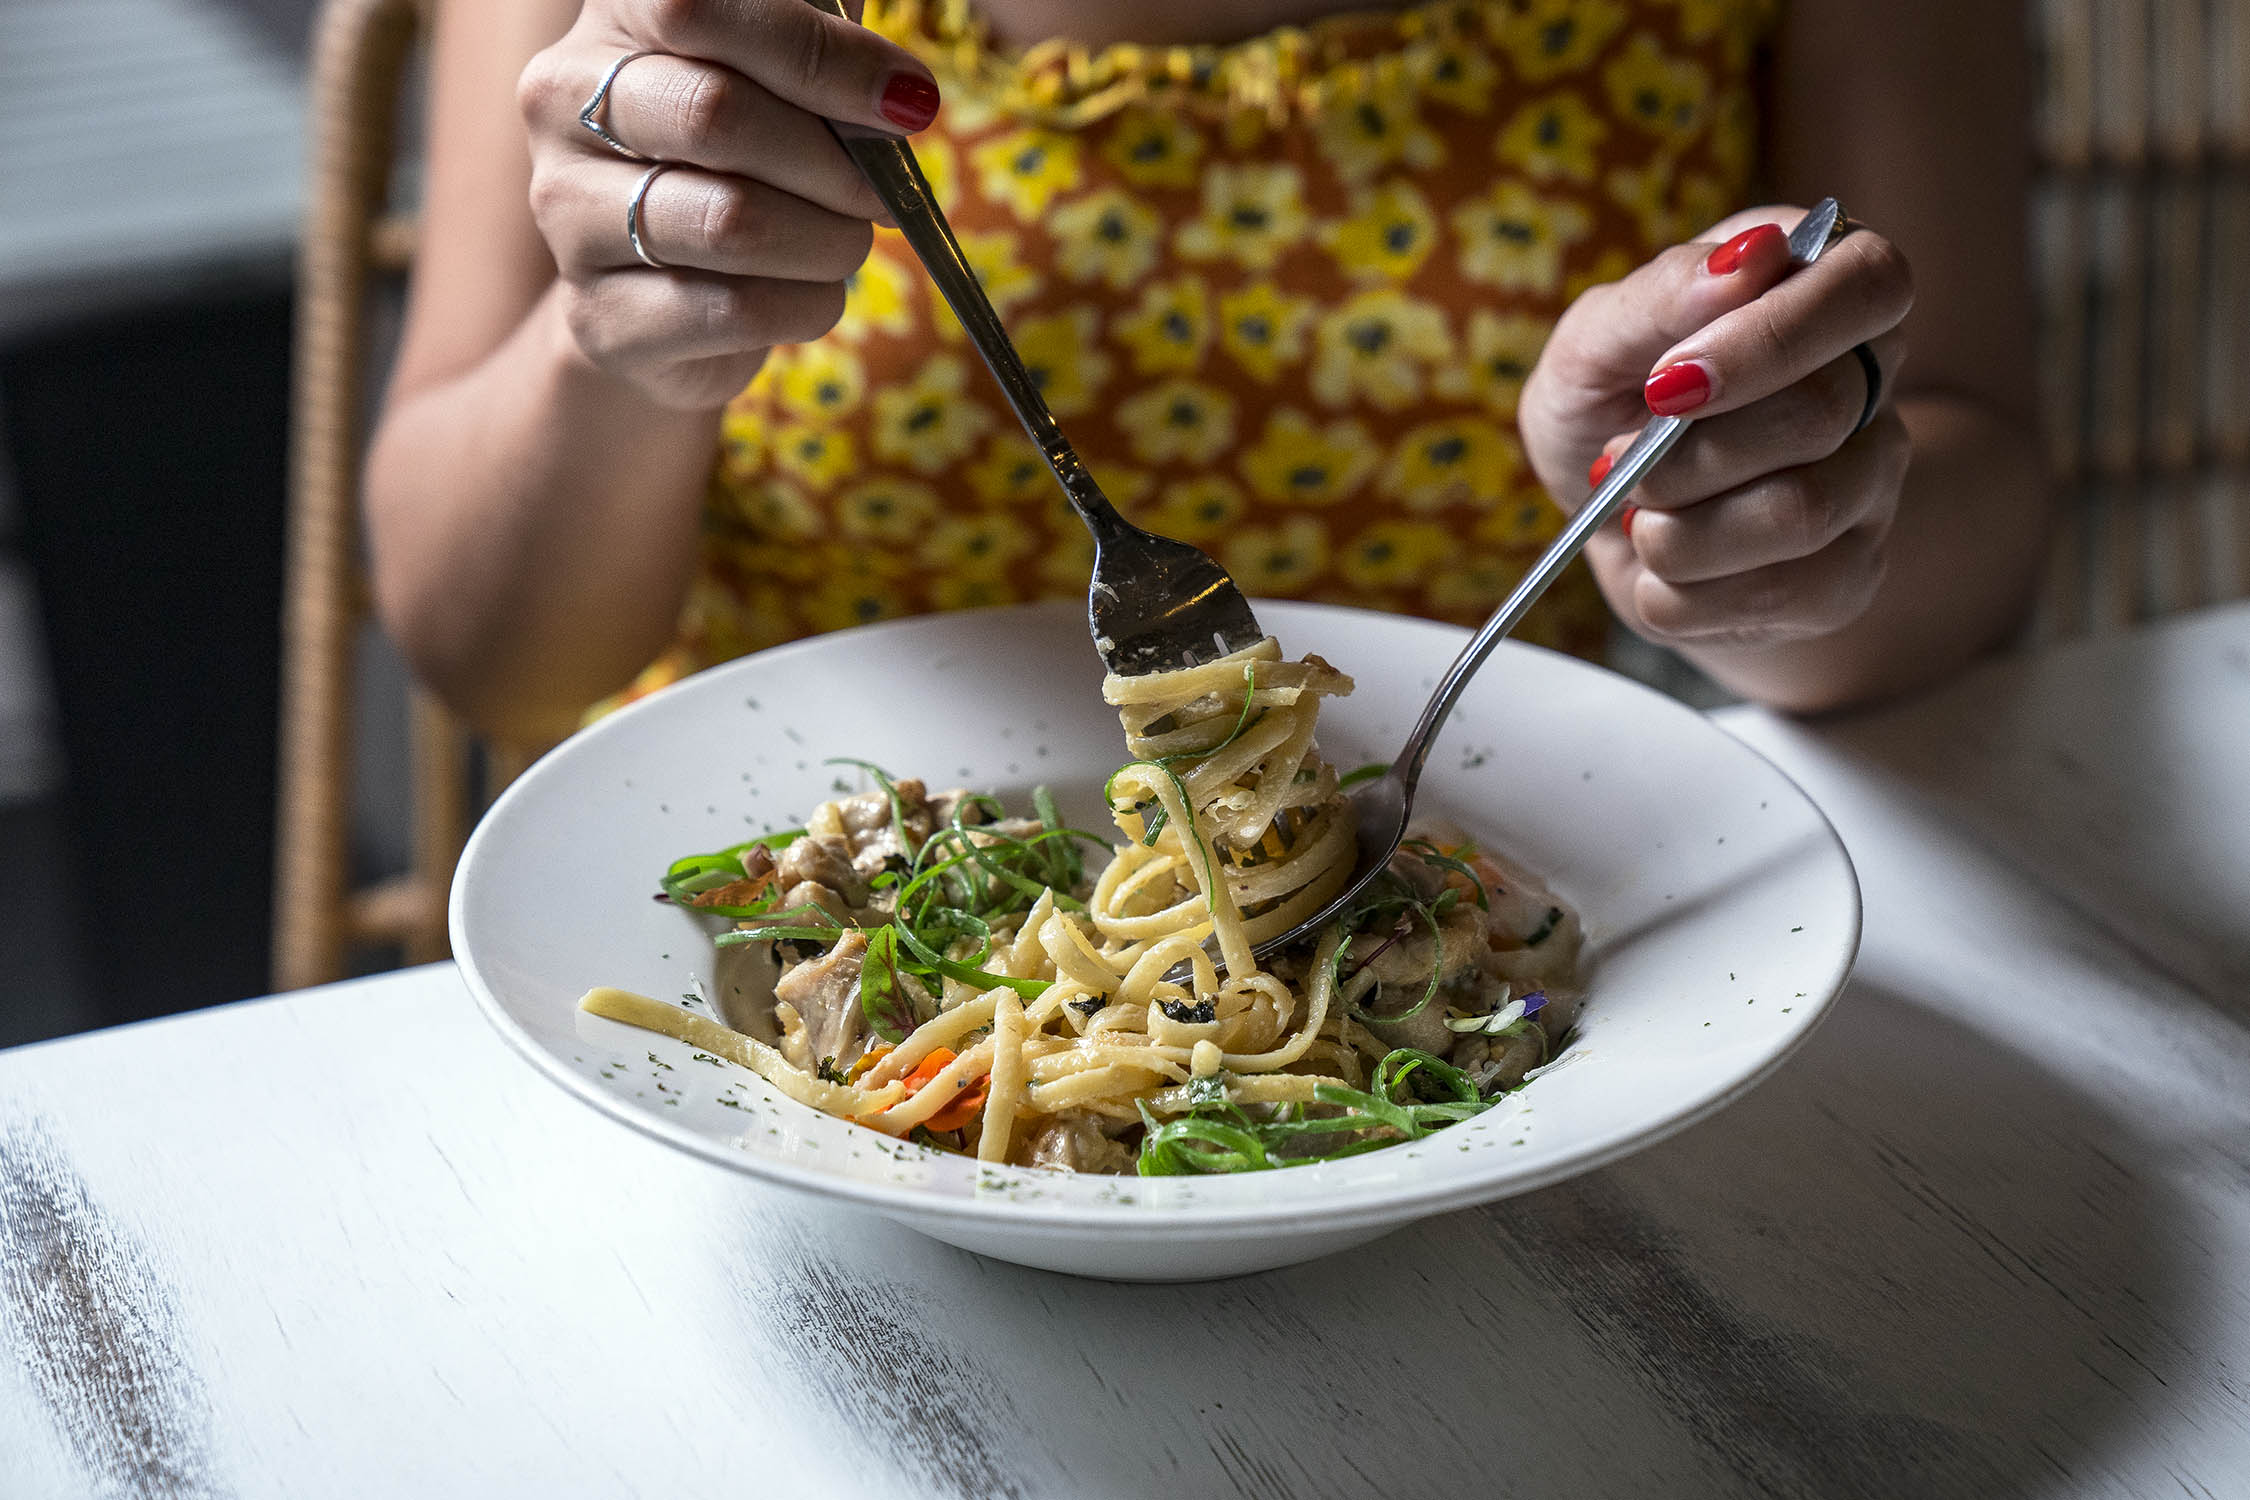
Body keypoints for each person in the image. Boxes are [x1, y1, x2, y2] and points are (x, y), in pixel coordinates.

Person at [365, 0, 2045, 743]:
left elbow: (1967, 481)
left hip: (1483, 915)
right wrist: (617, 347)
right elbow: (483, 652)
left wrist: (1749, 523)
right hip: (784, 937)